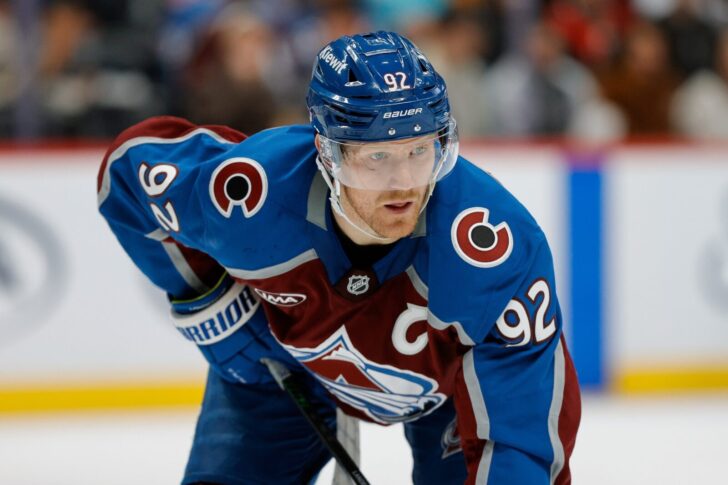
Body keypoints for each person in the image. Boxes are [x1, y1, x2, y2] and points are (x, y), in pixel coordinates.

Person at [97, 31, 581, 485]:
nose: (404, 183)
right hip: (282, 368)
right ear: (328, 154)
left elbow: (520, 435)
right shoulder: (252, 194)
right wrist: (212, 304)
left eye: (419, 151)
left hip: (450, 398)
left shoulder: (491, 250)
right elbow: (128, 173)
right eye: (377, 157)